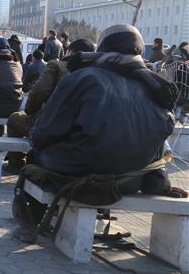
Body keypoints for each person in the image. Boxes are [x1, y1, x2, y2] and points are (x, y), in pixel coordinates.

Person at [28, 25, 179, 196]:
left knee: (36, 155)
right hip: (130, 180)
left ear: (103, 47)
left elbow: (44, 132)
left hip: (80, 173)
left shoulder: (81, 78)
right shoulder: (156, 86)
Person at [5, 38, 96, 170]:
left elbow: (39, 91)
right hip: (82, 129)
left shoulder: (57, 66)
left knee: (14, 118)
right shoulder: (96, 73)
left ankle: (16, 163)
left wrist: (30, 112)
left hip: (52, 124)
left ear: (69, 51)